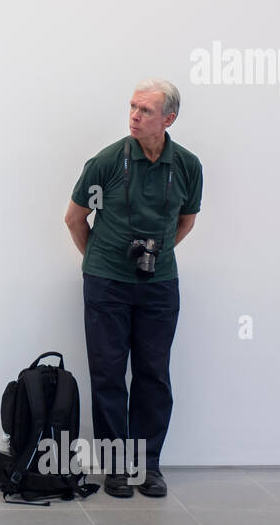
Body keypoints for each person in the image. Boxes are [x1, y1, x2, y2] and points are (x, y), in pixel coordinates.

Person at [64, 79, 202, 498]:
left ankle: (148, 465)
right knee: (108, 374)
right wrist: (100, 261)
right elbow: (74, 218)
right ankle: (116, 467)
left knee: (153, 374)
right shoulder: (106, 162)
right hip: (107, 283)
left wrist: (155, 255)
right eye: (132, 107)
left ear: (168, 118)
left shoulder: (187, 166)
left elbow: (186, 221)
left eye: (145, 110)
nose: (135, 116)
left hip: (159, 285)